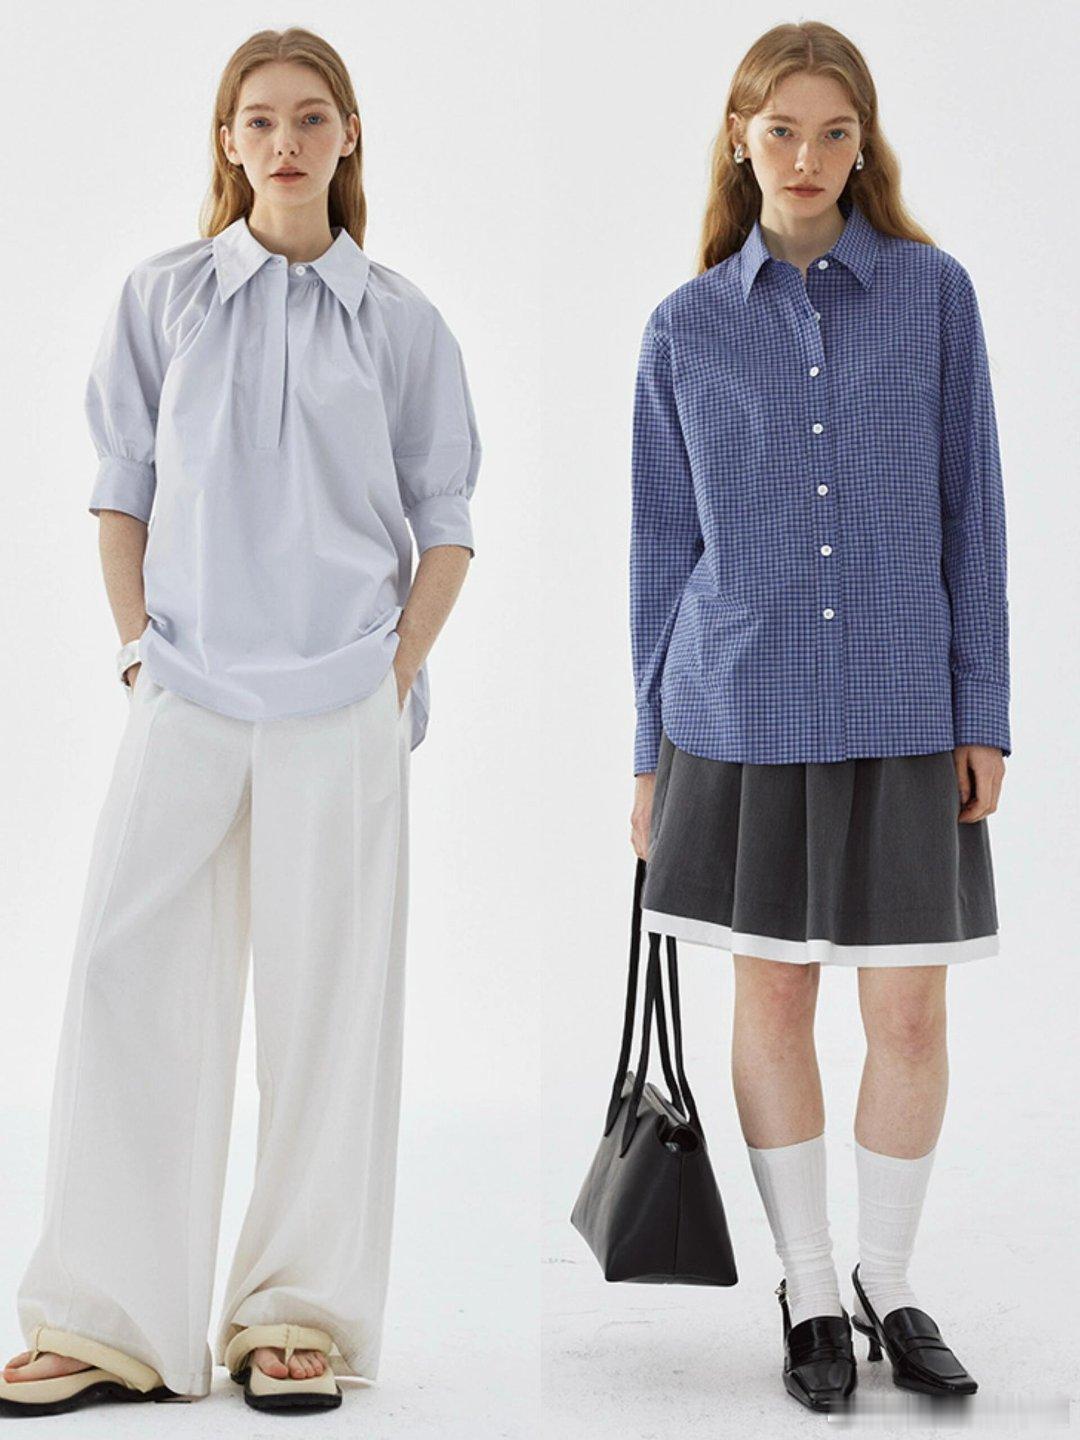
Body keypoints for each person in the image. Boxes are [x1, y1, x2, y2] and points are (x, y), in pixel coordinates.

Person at [1, 26, 479, 1418]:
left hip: (343, 702)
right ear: (227, 140)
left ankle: (295, 1316)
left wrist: (393, 676)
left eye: (311, 116)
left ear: (348, 137)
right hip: (188, 691)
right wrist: (138, 658)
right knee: (127, 985)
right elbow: (122, 492)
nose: (284, 140)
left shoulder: (402, 323)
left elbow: (446, 524)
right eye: (259, 119)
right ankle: (105, 1320)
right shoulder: (164, 300)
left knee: (330, 1011)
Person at [628, 21, 1008, 1412]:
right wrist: (645, 756)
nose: (805, 156)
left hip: (907, 705)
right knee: (774, 995)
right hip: (737, 714)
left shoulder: (935, 296)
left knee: (907, 1010)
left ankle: (886, 1283)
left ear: (864, 144)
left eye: (833, 132)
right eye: (780, 130)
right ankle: (805, 1289)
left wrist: (986, 712)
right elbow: (659, 555)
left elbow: (977, 513)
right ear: (741, 139)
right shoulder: (684, 328)